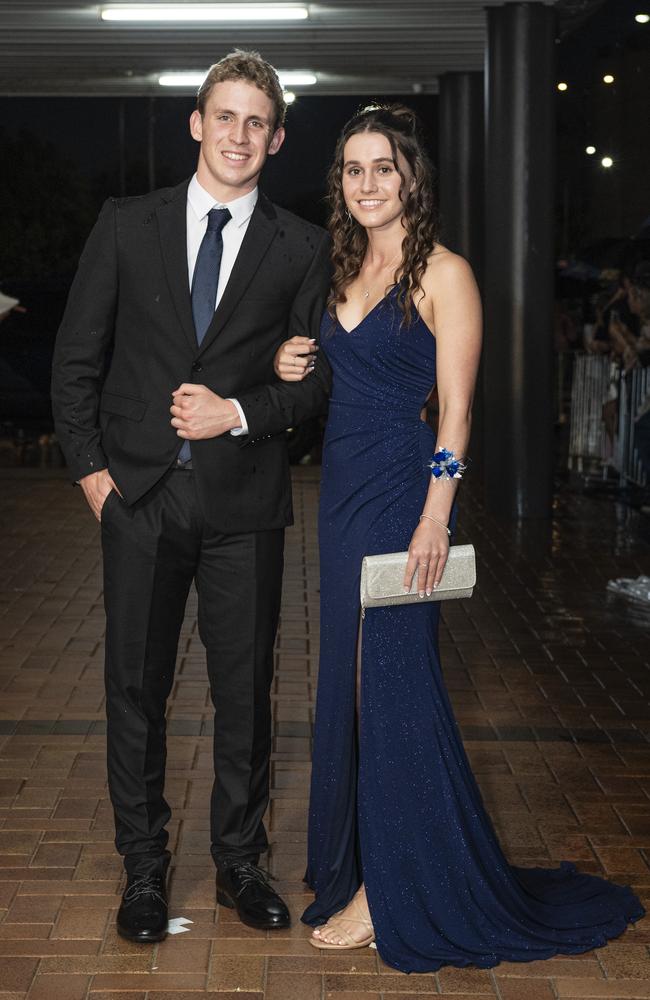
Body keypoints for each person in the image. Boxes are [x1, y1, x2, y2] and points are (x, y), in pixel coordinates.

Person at [273, 103, 644, 973]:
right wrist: (295, 363)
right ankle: (365, 864)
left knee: (392, 685)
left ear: (411, 180)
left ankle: (388, 891)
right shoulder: (339, 272)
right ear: (343, 185)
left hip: (405, 495)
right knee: (354, 688)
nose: (368, 184)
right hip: (341, 493)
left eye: (383, 169)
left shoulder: (446, 274)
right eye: (354, 171)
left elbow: (459, 410)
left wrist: (436, 515)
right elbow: (337, 378)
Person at [51, 50, 331, 944]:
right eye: (226, 116)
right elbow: (76, 363)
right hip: (136, 496)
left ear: (277, 138)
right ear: (197, 124)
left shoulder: (301, 247)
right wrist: (95, 475)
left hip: (244, 505)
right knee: (135, 691)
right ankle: (144, 871)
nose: (239, 135)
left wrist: (241, 411)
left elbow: (313, 388)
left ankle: (240, 865)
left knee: (246, 693)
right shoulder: (127, 225)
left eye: (258, 121)